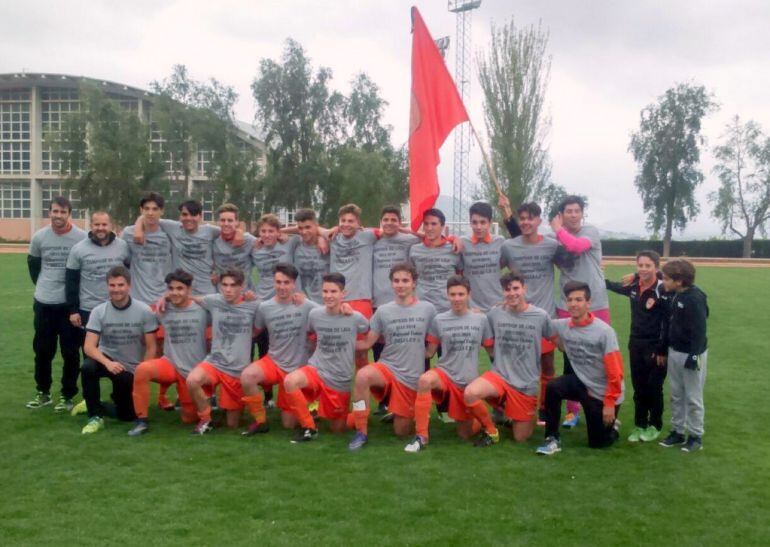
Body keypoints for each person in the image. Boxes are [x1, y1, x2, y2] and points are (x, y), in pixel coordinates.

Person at [348, 263, 437, 451]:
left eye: (405, 280)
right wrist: (340, 342)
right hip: (387, 368)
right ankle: (360, 431)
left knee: (401, 431)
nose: (400, 284)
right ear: (391, 284)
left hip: (410, 378)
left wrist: (427, 354)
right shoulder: (383, 310)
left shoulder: (428, 309)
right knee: (363, 375)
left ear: (414, 283)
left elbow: (436, 339)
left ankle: (405, 411)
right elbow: (367, 343)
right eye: (396, 281)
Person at [463, 272, 554, 447]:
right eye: (507, 289)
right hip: (500, 376)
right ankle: (491, 429)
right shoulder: (495, 313)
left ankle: (526, 413)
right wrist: (472, 313)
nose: (512, 293)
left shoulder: (540, 315)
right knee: (471, 393)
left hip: (525, 384)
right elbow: (482, 324)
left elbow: (556, 337)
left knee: (520, 437)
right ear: (503, 292)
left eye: (515, 288)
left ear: (524, 289)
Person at [404, 275, 493, 452]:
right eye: (452, 294)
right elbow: (429, 352)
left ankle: (482, 421)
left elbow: (491, 352)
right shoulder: (439, 320)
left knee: (465, 434)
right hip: (444, 374)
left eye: (461, 294)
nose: (457, 298)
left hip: (467, 382)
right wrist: (407, 344)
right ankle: (421, 436)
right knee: (424, 380)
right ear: (447, 295)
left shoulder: (481, 319)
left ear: (469, 294)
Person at [537, 281, 624, 455]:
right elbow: (538, 322)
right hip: (581, 382)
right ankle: (552, 437)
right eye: (570, 300)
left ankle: (613, 427)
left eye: (579, 299)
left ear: (588, 303)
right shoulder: (562, 325)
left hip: (603, 391)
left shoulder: (604, 332)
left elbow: (616, 372)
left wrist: (609, 403)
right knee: (553, 387)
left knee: (598, 443)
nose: (574, 304)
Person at [282, 273, 369, 442]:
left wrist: (356, 347)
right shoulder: (315, 314)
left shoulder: (355, 318)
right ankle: (309, 427)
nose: (328, 296)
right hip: (317, 369)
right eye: (325, 291)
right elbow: (310, 334)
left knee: (338, 429)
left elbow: (369, 333)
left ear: (343, 294)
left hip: (340, 378)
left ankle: (356, 416)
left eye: (333, 292)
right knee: (290, 381)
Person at [550, 195, 611, 428]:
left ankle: (607, 405)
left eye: (577, 211)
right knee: (570, 356)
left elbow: (576, 246)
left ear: (582, 213)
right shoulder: (553, 237)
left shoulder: (590, 231)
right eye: (569, 211)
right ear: (561, 214)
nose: (573, 215)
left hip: (595, 303)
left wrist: (557, 230)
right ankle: (572, 410)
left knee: (601, 356)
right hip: (566, 306)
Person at [127, 269, 209, 436]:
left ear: (189, 290)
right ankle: (141, 420)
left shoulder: (203, 310)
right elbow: (143, 318)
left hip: (193, 372)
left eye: (180, 288)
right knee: (142, 369)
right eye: (171, 289)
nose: (175, 292)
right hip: (169, 364)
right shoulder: (163, 309)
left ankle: (197, 405)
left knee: (188, 419)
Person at [240, 263, 318, 435]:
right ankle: (260, 421)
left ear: (294, 284)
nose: (282, 286)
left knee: (288, 424)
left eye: (286, 282)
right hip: (274, 362)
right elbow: (255, 331)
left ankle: (311, 405)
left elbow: (328, 314)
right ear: (273, 282)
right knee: (247, 376)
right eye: (278, 282)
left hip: (297, 369)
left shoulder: (307, 305)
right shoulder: (264, 307)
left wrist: (345, 307)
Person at [79, 267, 158, 434]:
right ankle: (94, 416)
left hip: (130, 367)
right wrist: (108, 363)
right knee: (88, 367)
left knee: (127, 416)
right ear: (107, 286)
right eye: (112, 285)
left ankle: (93, 403)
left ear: (129, 285)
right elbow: (88, 347)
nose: (116, 289)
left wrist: (142, 371)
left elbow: (151, 347)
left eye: (120, 285)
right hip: (107, 359)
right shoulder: (99, 311)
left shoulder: (144, 311)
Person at [501, 202, 560, 424]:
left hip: (544, 315)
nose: (526, 222)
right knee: (515, 364)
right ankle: (512, 405)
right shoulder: (509, 246)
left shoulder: (552, 245)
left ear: (539, 221)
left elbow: (571, 265)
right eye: (522, 218)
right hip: (516, 316)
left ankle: (545, 408)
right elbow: (490, 271)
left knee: (547, 366)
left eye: (530, 218)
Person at [26, 196, 87, 411]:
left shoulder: (81, 237)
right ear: (49, 212)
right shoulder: (39, 237)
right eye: (54, 211)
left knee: (70, 353)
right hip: (44, 303)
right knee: (43, 351)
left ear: (69, 213)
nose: (58, 216)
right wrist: (45, 286)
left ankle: (67, 396)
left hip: (69, 306)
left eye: (62, 212)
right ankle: (43, 393)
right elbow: (33, 266)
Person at [185, 268, 260, 434]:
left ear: (242, 287)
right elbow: (190, 298)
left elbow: (271, 311)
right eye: (224, 285)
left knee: (232, 424)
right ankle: (206, 419)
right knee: (192, 380)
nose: (228, 289)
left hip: (236, 370)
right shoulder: (214, 300)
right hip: (215, 364)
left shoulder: (253, 305)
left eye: (233, 285)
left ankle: (230, 405)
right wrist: (166, 297)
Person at [606, 250, 668, 442]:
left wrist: (661, 349)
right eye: (640, 265)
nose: (643, 269)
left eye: (647, 265)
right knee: (639, 387)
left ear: (656, 267)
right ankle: (639, 424)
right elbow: (614, 286)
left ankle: (654, 425)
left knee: (654, 387)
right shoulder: (634, 285)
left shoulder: (663, 289)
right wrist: (599, 278)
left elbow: (668, 322)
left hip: (656, 347)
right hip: (636, 344)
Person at [656, 259, 709, 453]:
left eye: (667, 279)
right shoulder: (674, 295)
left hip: (691, 354)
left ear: (679, 281)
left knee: (693, 396)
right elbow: (669, 325)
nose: (663, 282)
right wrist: (663, 349)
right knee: (676, 394)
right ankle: (678, 432)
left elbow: (699, 330)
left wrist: (694, 356)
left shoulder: (695, 298)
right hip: (674, 352)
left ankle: (695, 436)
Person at [135, 200, 221, 296]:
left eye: (193, 215)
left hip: (206, 291)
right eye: (184, 214)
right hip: (181, 291)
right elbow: (151, 217)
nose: (188, 218)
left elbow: (230, 233)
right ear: (180, 216)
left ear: (200, 216)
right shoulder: (173, 227)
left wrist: (219, 271)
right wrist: (138, 227)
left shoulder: (210, 231)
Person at [329, 203, 379, 369]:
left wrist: (450, 238)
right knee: (335, 349)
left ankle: (362, 387)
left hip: (360, 299)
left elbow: (391, 227)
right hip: (336, 300)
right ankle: (336, 388)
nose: (346, 224)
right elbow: (311, 228)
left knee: (361, 351)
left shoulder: (367, 236)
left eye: (351, 221)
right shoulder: (333, 236)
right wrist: (282, 233)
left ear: (359, 224)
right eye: (343, 220)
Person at [65, 211, 130, 332]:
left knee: (116, 349)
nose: (101, 228)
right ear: (91, 226)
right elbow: (71, 282)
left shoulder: (123, 247)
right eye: (97, 224)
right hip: (88, 309)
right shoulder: (78, 249)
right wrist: (73, 311)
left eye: (104, 225)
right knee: (90, 349)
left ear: (111, 226)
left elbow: (131, 274)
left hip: (117, 307)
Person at [408, 208, 463, 316]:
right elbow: (411, 276)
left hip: (448, 308)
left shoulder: (454, 249)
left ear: (442, 226)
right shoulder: (414, 250)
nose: (429, 228)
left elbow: (462, 276)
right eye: (426, 224)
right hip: (422, 309)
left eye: (434, 224)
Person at [122, 192, 173, 305]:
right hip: (138, 299)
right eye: (147, 209)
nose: (150, 213)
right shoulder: (128, 233)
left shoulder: (169, 233)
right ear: (141, 210)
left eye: (155, 209)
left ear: (162, 211)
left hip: (163, 299)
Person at [460, 201, 506, 312]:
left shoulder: (500, 242)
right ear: (470, 223)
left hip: (498, 305)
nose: (478, 227)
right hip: (472, 308)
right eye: (474, 222)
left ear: (490, 223)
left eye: (483, 222)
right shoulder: (463, 243)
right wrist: (452, 238)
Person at [212, 203, 258, 290]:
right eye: (222, 220)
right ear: (218, 222)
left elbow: (267, 246)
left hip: (244, 295)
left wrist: (281, 234)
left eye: (230, 220)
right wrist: (212, 274)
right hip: (222, 296)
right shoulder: (213, 241)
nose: (226, 224)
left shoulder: (249, 240)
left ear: (237, 222)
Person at [293, 208, 330, 305]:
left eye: (308, 227)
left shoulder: (329, 244)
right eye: (300, 228)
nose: (304, 232)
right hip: (303, 304)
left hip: (326, 303)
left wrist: (322, 237)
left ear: (316, 226)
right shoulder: (295, 244)